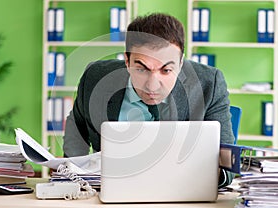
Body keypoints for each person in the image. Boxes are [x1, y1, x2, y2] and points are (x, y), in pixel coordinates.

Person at [63, 13, 234, 188]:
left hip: (180, 192)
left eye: (166, 70)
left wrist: (199, 174)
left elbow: (228, 165)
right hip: (111, 191)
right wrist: (76, 177)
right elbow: (77, 131)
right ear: (127, 61)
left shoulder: (209, 83)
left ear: (181, 63)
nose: (152, 86)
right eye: (141, 69)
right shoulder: (95, 77)